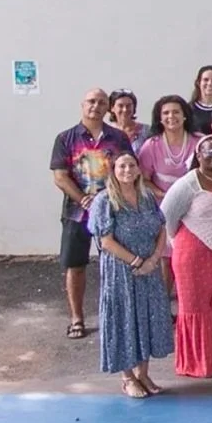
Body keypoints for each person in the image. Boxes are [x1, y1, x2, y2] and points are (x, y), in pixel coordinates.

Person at [51, 89, 135, 341]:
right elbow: (60, 176)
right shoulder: (65, 138)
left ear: (107, 107)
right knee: (75, 266)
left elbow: (129, 168)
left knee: (116, 265)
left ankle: (117, 317)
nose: (95, 106)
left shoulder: (118, 137)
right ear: (82, 105)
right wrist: (84, 199)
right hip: (77, 213)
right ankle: (77, 318)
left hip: (114, 212)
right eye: (91, 101)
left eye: (101, 102)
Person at [89, 152, 172, 398]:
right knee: (124, 318)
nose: (127, 170)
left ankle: (143, 373)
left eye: (132, 165)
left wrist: (154, 259)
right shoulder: (105, 201)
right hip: (121, 272)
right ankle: (127, 378)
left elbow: (161, 228)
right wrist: (137, 262)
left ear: (138, 170)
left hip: (149, 269)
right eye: (122, 166)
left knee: (147, 317)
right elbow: (106, 241)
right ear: (113, 170)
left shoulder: (146, 198)